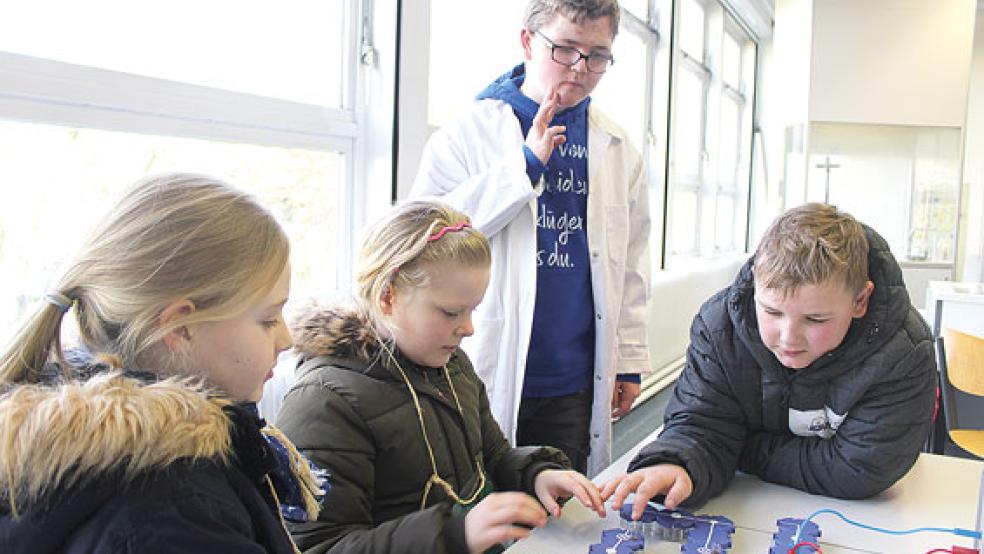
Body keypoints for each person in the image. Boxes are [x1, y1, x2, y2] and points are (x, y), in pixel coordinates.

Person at [0, 173, 326, 553]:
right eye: (268, 319)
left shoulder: (67, 428)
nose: (287, 339)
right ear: (180, 327)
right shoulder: (177, 512)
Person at [277, 201, 606, 554]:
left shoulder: (452, 365)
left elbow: (493, 456)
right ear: (388, 296)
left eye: (472, 310)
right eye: (451, 312)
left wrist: (535, 474)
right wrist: (454, 535)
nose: (468, 328)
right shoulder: (324, 402)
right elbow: (323, 546)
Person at [410, 0, 651, 476]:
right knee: (481, 495)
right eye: (565, 49)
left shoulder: (618, 147)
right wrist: (525, 165)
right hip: (485, 364)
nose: (580, 68)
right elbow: (424, 238)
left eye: (597, 55)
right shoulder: (467, 135)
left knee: (562, 501)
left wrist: (627, 361)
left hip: (575, 378)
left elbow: (631, 262)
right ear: (527, 41)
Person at [603, 203, 937, 519]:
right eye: (772, 312)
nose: (789, 337)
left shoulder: (904, 350)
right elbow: (700, 422)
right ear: (755, 287)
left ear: (860, 300)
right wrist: (677, 462)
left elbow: (859, 467)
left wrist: (739, 447)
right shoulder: (719, 327)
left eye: (815, 319)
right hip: (747, 505)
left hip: (855, 516)